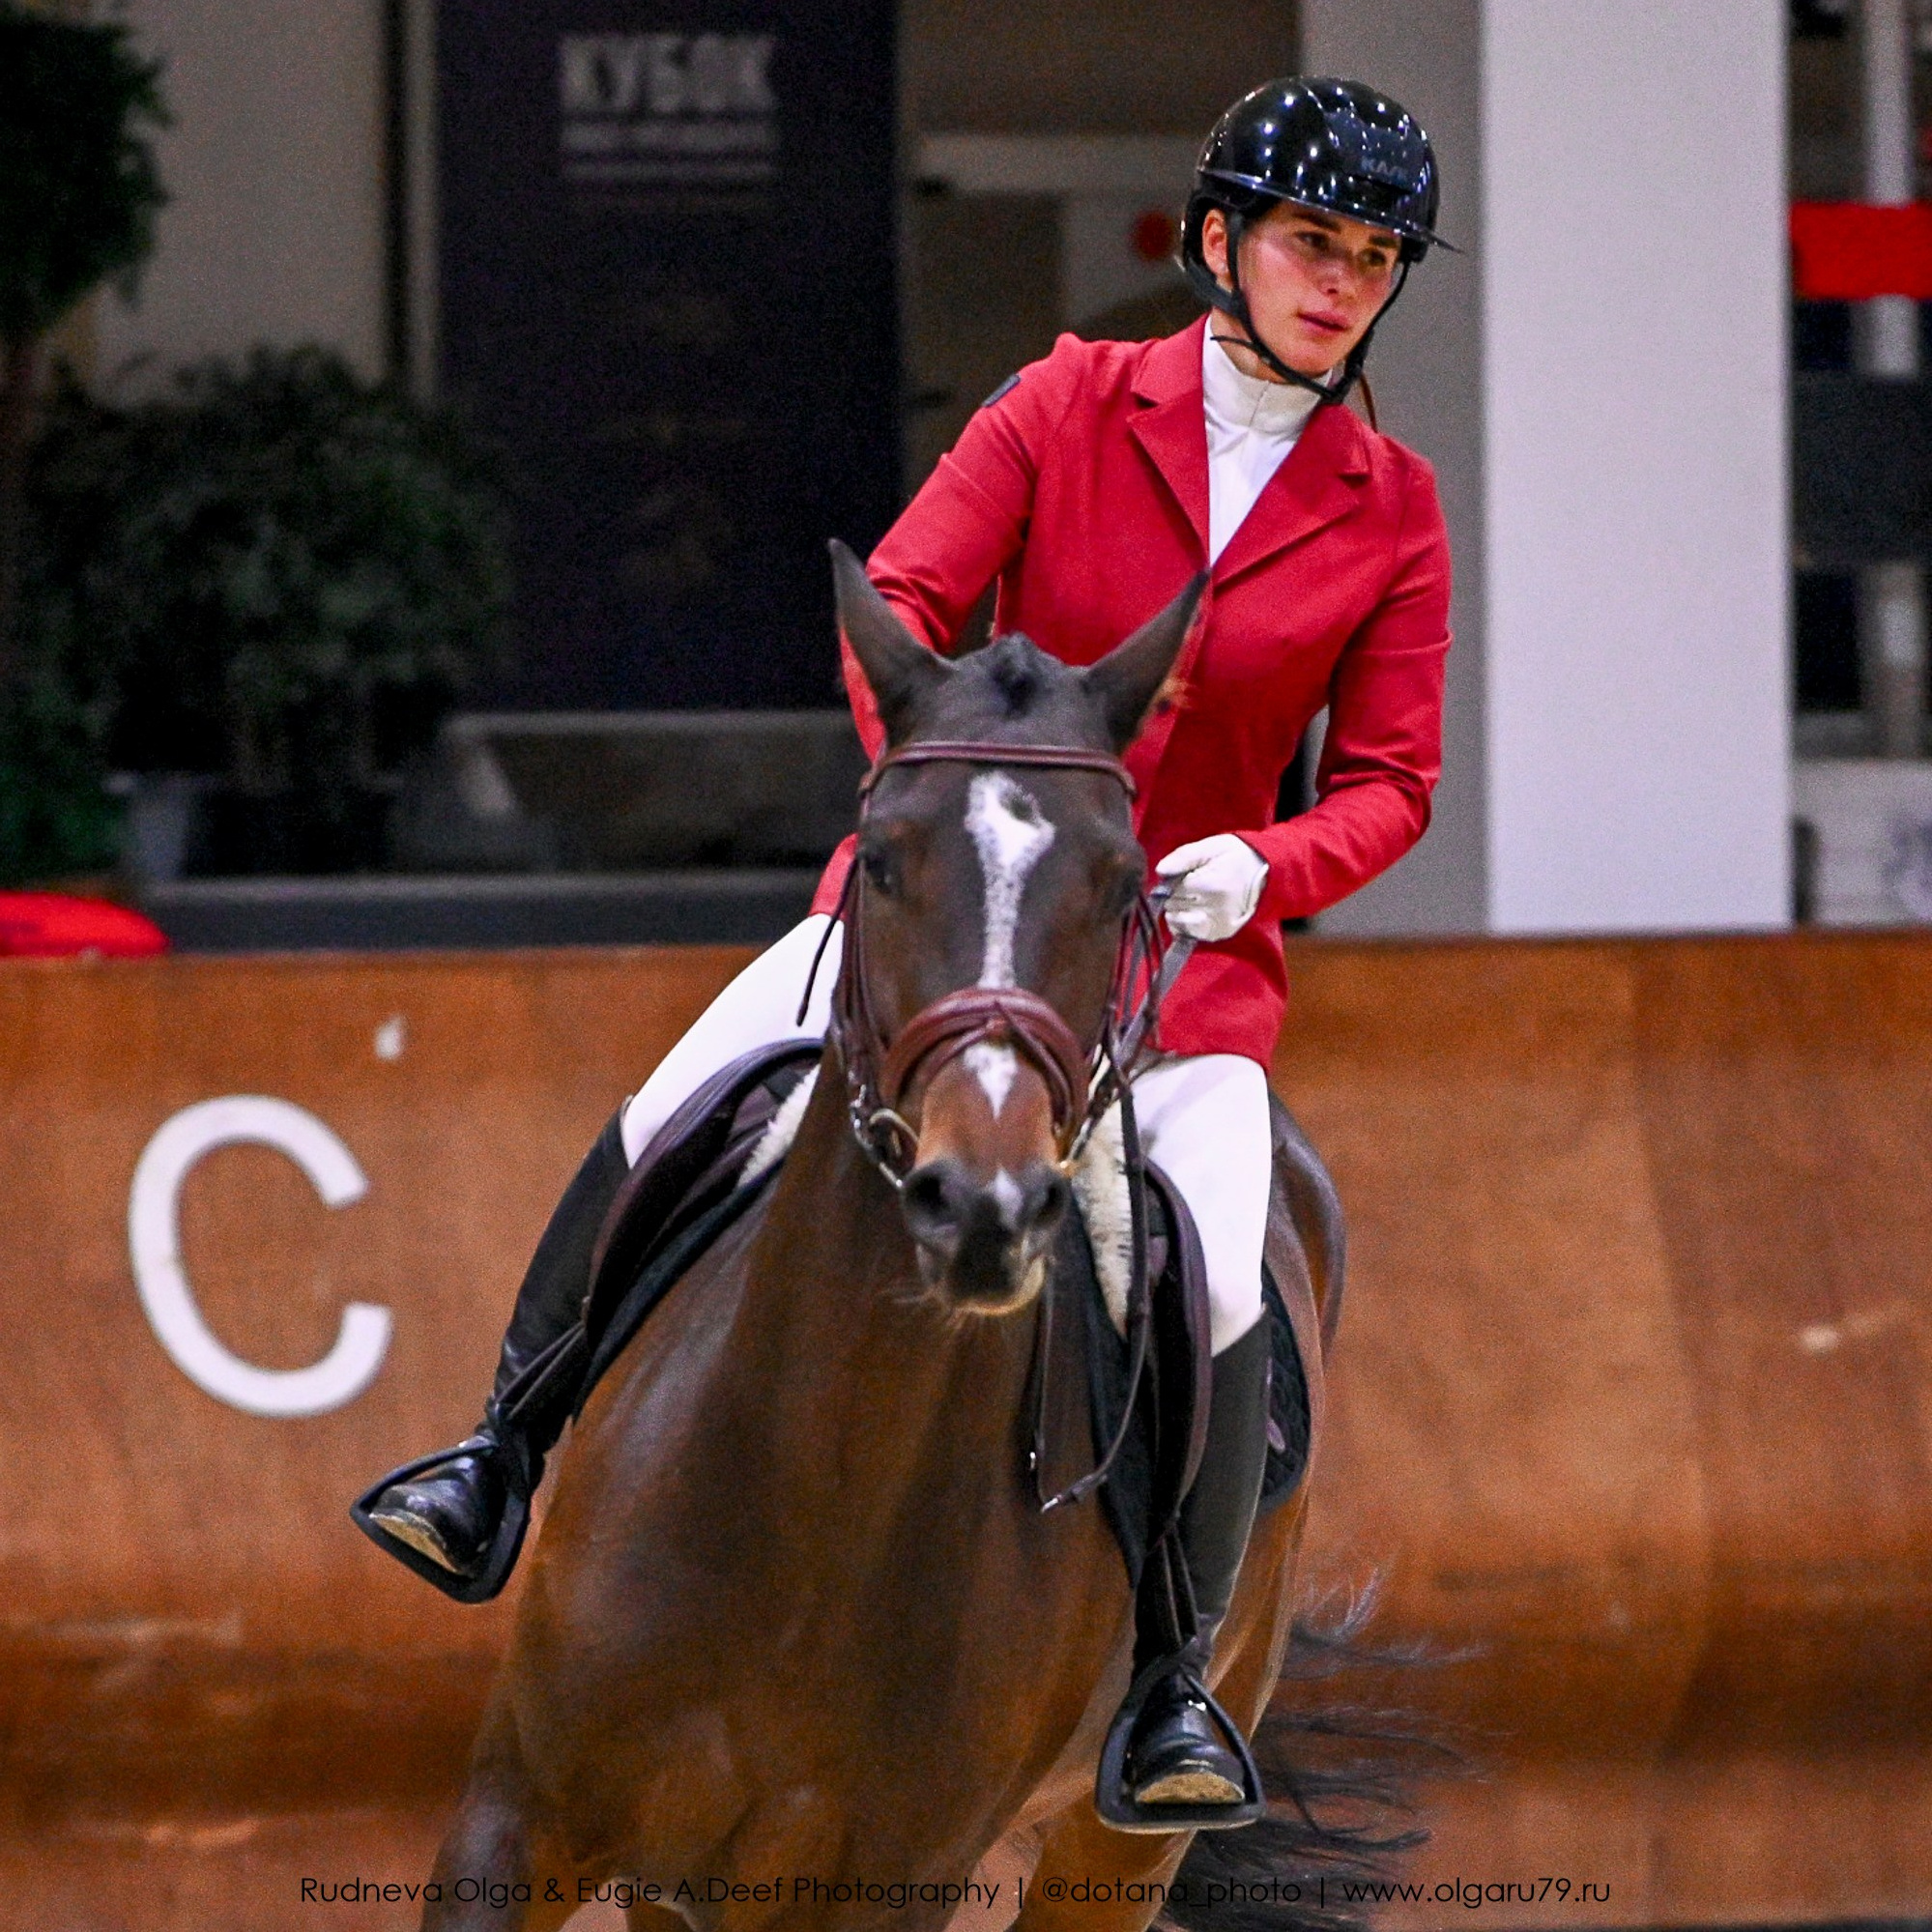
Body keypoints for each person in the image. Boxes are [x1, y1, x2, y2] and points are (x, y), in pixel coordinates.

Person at [362, 75, 1453, 1824]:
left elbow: (1396, 781)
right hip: (947, 924)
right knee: (684, 1090)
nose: (1342, 280)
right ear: (1219, 242)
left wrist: (1271, 862)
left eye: (1375, 257)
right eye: (1313, 240)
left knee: (1234, 1265)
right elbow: (912, 611)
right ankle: (501, 1452)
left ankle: (1172, 1680)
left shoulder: (1387, 505)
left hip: (1180, 975)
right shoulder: (1068, 399)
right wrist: (945, 807)